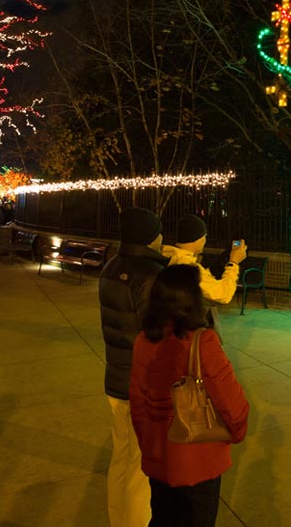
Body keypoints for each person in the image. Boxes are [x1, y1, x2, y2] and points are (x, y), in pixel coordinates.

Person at [130, 264, 249, 527]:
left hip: (159, 456)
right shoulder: (202, 341)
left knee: (162, 518)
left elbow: (137, 404)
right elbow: (231, 401)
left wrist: (148, 446)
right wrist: (237, 433)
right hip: (199, 458)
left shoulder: (143, 340)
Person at [99, 207, 168, 527]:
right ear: (149, 236)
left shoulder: (112, 266)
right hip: (141, 384)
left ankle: (119, 520)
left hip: (115, 378)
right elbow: (158, 336)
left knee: (121, 459)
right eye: (158, 231)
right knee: (142, 470)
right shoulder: (151, 276)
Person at [161, 215, 243, 331]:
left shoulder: (170, 257)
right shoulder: (187, 266)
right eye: (205, 237)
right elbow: (223, 295)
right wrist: (233, 263)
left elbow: (204, 282)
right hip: (191, 330)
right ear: (198, 239)